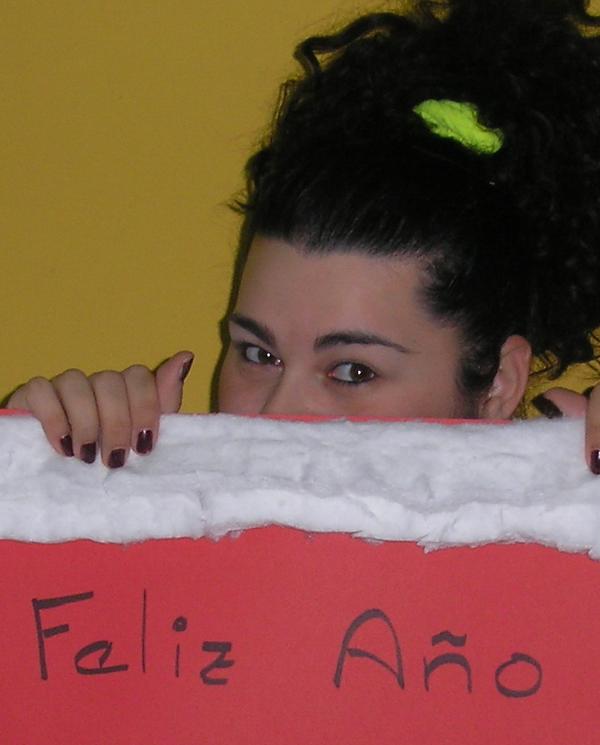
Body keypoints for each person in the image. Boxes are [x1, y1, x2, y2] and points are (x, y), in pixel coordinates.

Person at [6, 0, 600, 470]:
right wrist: (37, 484)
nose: (277, 413)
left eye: (353, 372)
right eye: (257, 355)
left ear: (498, 385)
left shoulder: (567, 556)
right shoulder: (146, 521)